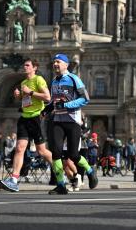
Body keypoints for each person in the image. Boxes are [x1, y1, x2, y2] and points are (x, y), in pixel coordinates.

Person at [0, 58, 53, 192]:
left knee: (41, 151)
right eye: (24, 65)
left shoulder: (38, 79)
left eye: (28, 65)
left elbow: (47, 98)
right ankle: (14, 180)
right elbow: (25, 100)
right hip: (24, 117)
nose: (25, 67)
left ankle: (59, 169)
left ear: (34, 68)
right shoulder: (23, 82)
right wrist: (18, 96)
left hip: (36, 118)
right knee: (19, 148)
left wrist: (30, 92)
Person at [47, 53, 98, 195]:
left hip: (72, 121)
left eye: (58, 61)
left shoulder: (73, 79)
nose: (55, 64)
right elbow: (54, 102)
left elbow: (85, 99)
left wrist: (67, 105)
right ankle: (61, 185)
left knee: (73, 155)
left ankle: (89, 170)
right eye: (54, 62)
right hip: (58, 120)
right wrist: (46, 109)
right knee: (56, 153)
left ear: (66, 64)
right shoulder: (54, 82)